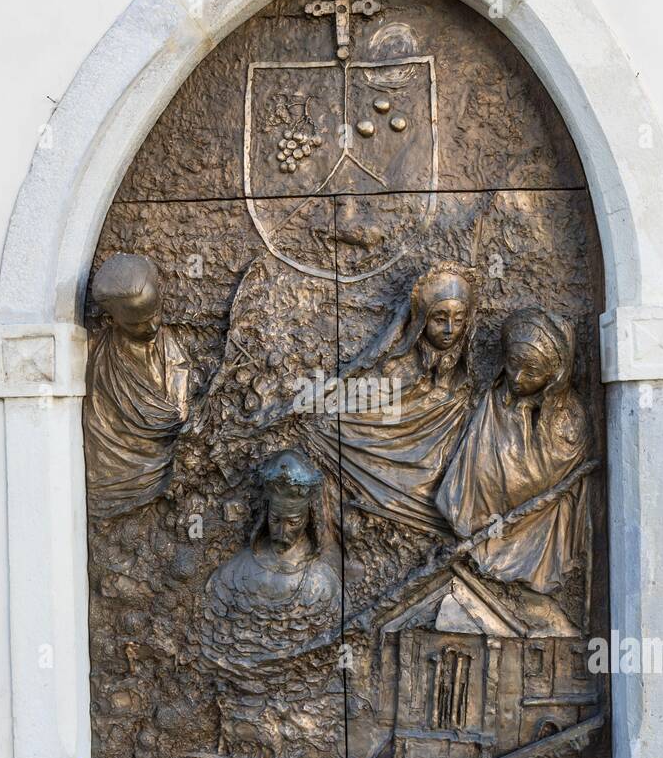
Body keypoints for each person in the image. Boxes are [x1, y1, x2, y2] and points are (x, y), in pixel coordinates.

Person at [436, 306, 591, 593]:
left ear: (554, 376)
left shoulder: (568, 421)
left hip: (537, 529)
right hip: (477, 520)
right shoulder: (491, 404)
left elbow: (543, 477)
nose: (517, 377)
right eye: (513, 364)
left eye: (531, 371)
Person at [312, 264, 475, 534]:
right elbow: (363, 411)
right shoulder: (397, 369)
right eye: (439, 318)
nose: (449, 329)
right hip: (382, 465)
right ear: (422, 321)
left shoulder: (465, 383)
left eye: (458, 320)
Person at [199, 449, 341, 668]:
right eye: (275, 519)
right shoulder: (236, 572)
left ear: (308, 519)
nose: (281, 532)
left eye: (293, 522)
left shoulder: (321, 583)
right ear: (266, 514)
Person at [84, 252, 190, 518]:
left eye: (156, 314)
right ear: (112, 320)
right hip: (113, 483)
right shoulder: (98, 361)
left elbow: (181, 415)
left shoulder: (174, 352)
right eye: (137, 324)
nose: (153, 327)